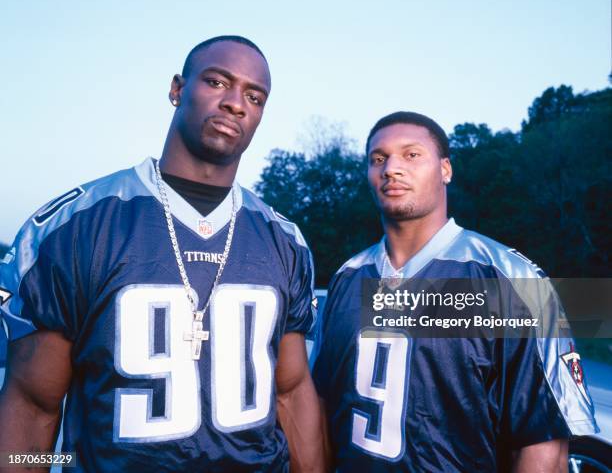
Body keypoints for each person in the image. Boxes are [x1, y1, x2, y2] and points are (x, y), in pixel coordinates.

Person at [0, 36, 325, 472]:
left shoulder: (284, 239)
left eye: (254, 95)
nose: (235, 103)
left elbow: (292, 392)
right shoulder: (77, 225)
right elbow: (32, 405)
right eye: (217, 81)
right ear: (177, 89)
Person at [310, 111, 598, 472]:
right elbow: (318, 409)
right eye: (378, 159)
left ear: (445, 169)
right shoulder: (346, 279)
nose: (391, 168)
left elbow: (544, 444)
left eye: (411, 154)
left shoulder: (513, 278)